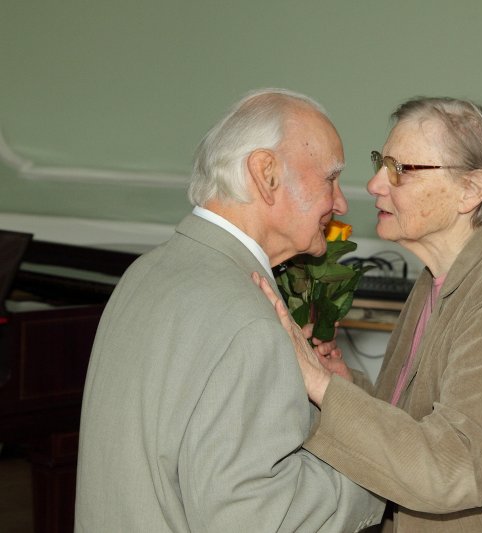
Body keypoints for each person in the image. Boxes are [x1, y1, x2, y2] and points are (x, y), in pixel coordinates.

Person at [258, 96, 482, 532]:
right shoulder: (441, 272)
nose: (375, 183)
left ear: (471, 189)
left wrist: (318, 384)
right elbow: (420, 425)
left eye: (401, 169)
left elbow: (454, 470)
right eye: (382, 162)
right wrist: (346, 387)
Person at [75, 89, 383, 532]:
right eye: (330, 178)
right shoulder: (250, 320)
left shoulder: (146, 271)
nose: (340, 203)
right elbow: (257, 519)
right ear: (266, 174)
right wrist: (377, 472)